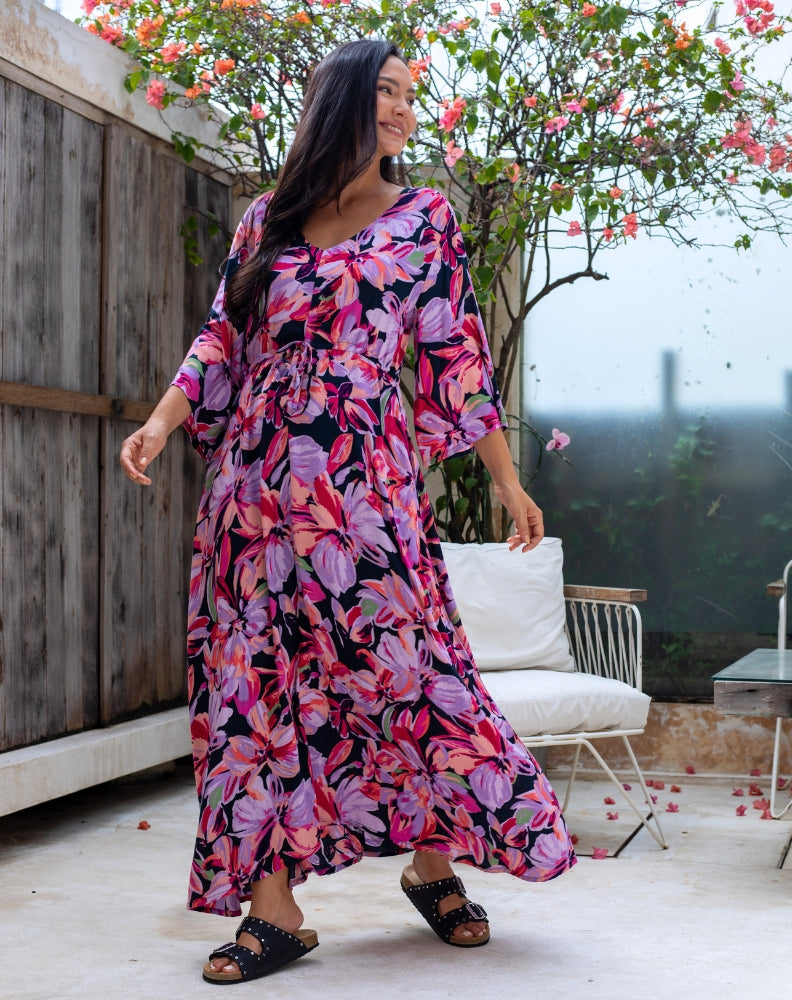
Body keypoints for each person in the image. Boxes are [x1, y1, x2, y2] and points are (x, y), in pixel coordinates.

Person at [120, 38, 575, 986]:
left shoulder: (423, 217)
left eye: (410, 97)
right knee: (253, 689)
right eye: (388, 93)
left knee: (404, 669)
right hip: (252, 496)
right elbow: (221, 337)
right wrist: (162, 422)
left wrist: (506, 480)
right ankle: (273, 910)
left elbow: (456, 356)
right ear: (342, 103)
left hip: (366, 490)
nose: (404, 111)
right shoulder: (268, 219)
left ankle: (433, 864)